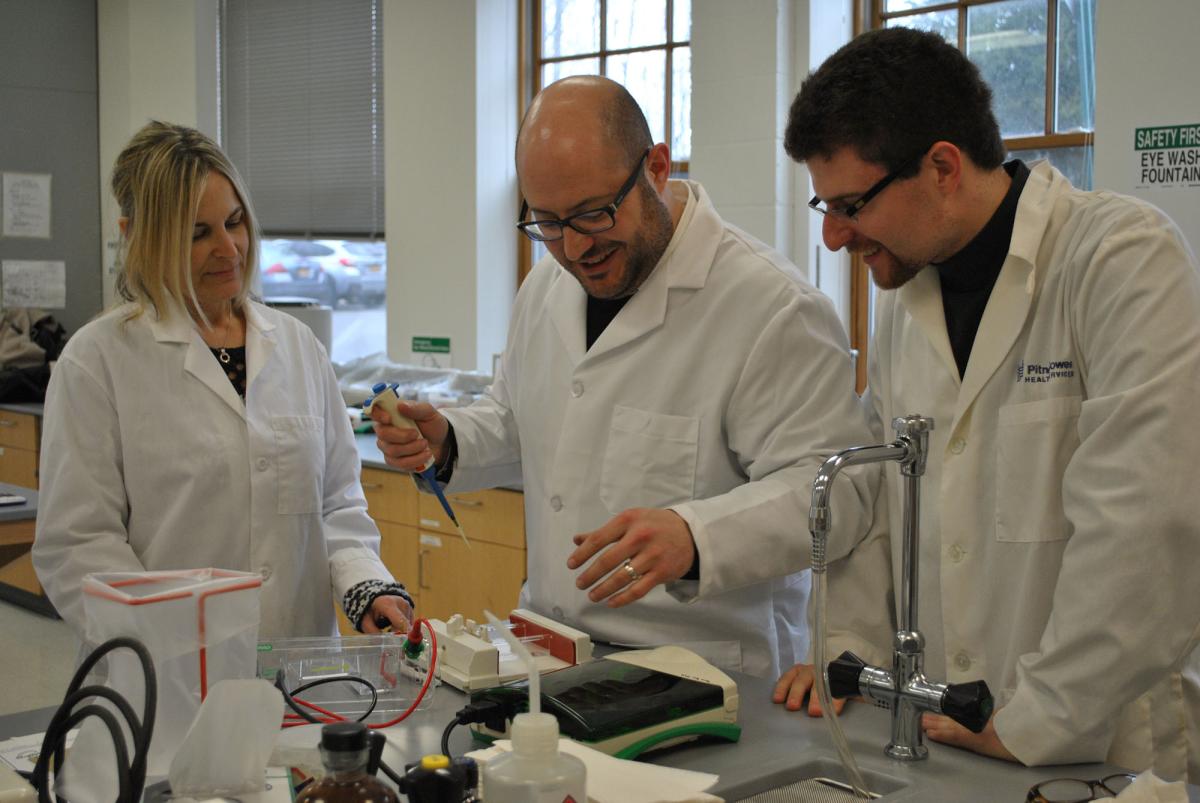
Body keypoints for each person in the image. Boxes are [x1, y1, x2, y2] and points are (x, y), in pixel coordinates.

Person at [773, 27, 1200, 780]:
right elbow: (879, 497)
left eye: (851, 204)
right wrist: (851, 656)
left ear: (941, 167)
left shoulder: (1118, 259)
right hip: (945, 729)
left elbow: (1144, 525)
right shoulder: (910, 303)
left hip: (1095, 744)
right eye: (824, 205)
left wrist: (1040, 715)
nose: (835, 236)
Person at [371, 75, 879, 678]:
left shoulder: (770, 307)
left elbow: (835, 491)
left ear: (657, 168)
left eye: (593, 214)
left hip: (698, 673)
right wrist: (449, 438)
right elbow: (521, 419)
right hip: (548, 651)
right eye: (548, 223)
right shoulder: (547, 285)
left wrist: (697, 536)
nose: (574, 247)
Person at [33, 121, 413, 641]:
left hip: (302, 670)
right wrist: (169, 640)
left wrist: (367, 586)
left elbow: (337, 503)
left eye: (234, 222)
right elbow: (78, 543)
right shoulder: (97, 360)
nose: (229, 249)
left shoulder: (297, 346)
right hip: (170, 681)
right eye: (197, 233)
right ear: (134, 237)